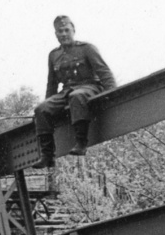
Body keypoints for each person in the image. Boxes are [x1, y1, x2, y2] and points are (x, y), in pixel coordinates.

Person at [32, 15, 117, 168]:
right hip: (66, 91)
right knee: (41, 109)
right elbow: (51, 84)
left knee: (76, 96)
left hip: (90, 87)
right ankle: (47, 156)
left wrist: (112, 94)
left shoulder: (86, 48)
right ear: (55, 34)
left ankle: (81, 143)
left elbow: (104, 72)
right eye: (60, 31)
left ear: (73, 30)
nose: (63, 34)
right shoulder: (54, 55)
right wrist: (47, 107)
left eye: (66, 30)